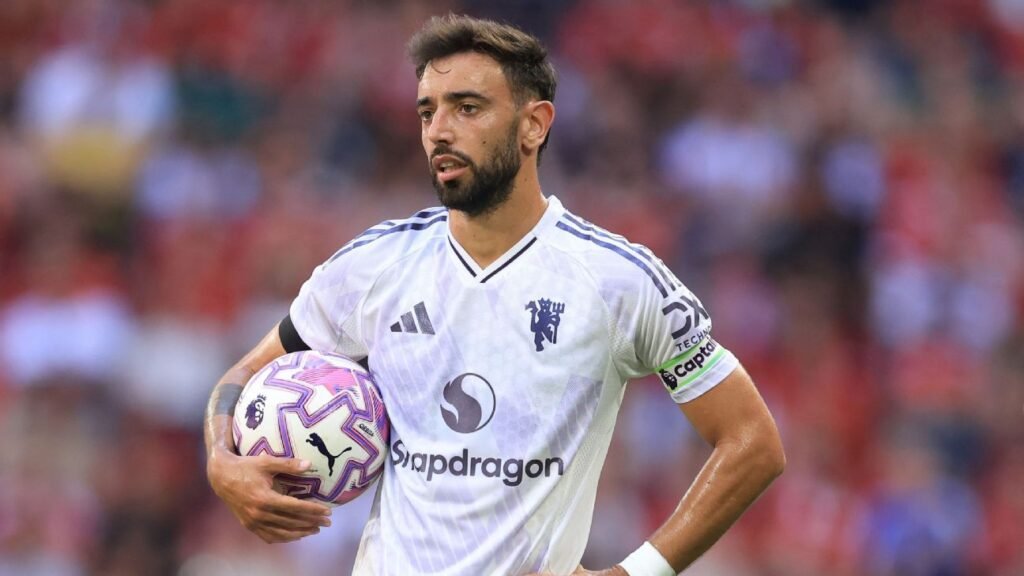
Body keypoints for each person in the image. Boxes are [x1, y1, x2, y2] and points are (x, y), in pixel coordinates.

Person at [204, 14, 785, 576]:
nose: (439, 131)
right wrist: (221, 461)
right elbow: (246, 372)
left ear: (535, 124)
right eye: (427, 111)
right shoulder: (373, 266)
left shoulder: (617, 281)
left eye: (467, 107)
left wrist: (632, 574)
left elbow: (753, 442)